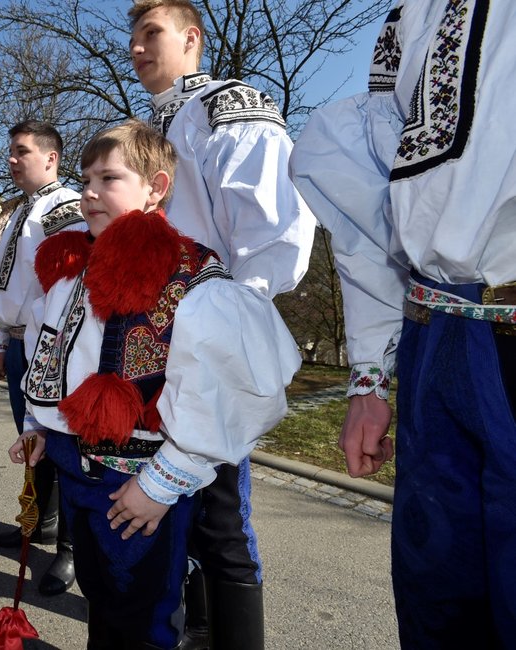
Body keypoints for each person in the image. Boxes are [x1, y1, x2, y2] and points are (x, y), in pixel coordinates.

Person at [11, 120, 299, 649]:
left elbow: (236, 389)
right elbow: (51, 351)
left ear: (156, 187)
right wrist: (39, 425)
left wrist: (164, 482)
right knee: (105, 598)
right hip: (77, 470)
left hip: (141, 483)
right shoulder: (72, 273)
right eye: (85, 178)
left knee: (144, 613)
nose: (90, 192)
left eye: (109, 178)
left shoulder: (191, 276)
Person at [289, 2, 516, 645]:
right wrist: (369, 380)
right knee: (437, 601)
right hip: (436, 340)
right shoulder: (407, 16)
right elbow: (374, 226)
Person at [128, 1, 316, 646]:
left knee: (219, 515)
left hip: (211, 334)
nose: (136, 48)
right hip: (150, 339)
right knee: (173, 504)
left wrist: (232, 323)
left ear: (191, 37)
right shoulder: (151, 125)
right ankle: (196, 626)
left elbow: (272, 228)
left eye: (150, 33)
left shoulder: (227, 108)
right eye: (132, 37)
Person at [0, 120, 86, 596]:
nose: (11, 159)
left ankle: (68, 550)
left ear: (51, 158)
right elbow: (7, 285)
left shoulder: (63, 207)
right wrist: (2, 342)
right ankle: (39, 524)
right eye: (11, 151)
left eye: (21, 151)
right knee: (33, 445)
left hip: (50, 345)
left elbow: (64, 287)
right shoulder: (18, 212)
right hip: (20, 342)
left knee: (62, 445)